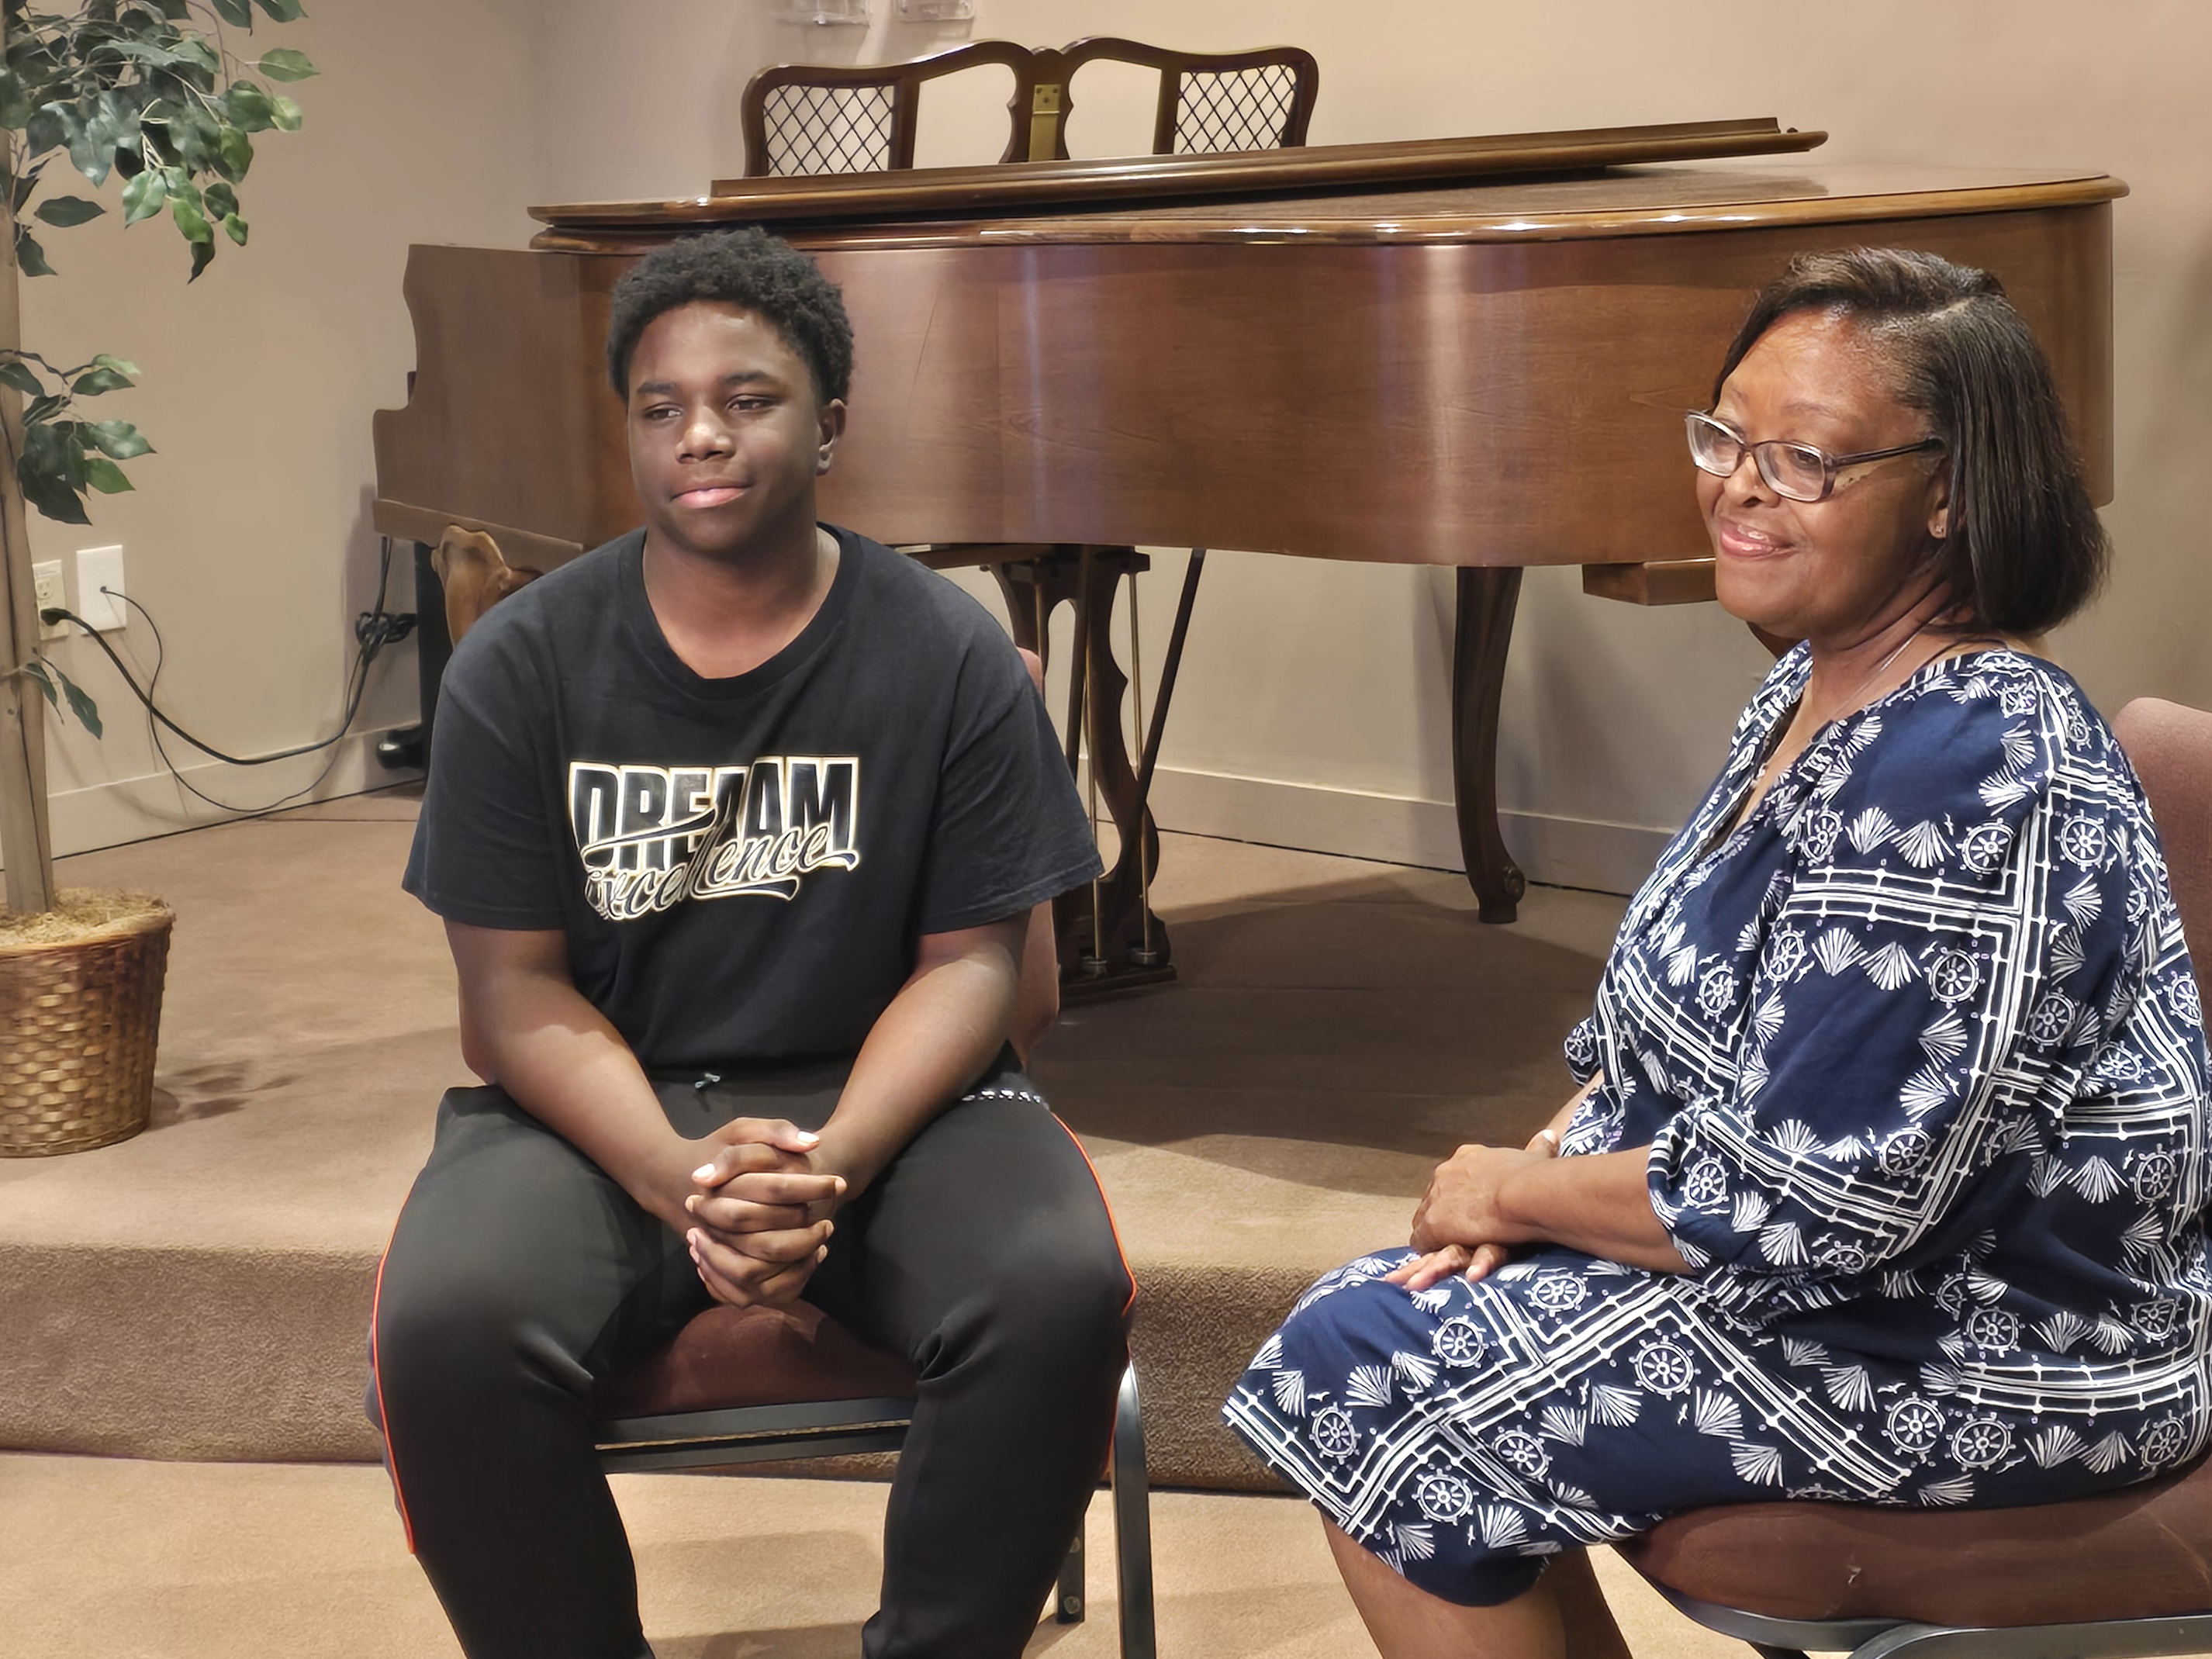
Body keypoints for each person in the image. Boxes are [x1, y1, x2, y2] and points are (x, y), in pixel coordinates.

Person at [1223, 247, 2212, 1658]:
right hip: (1861, 1289)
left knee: (1368, 1374)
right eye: (1725, 435)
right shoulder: (1814, 695)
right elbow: (1658, 1048)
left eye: (1803, 457)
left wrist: (1520, 1188)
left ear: (1950, 491)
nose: (1740, 485)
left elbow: (1825, 1199)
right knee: (1387, 1317)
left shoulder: (1973, 757)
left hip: (2001, 1346)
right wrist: (1514, 1197)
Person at [369, 226, 1133, 1659]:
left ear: (832, 420)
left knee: (1054, 1287)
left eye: (749, 397)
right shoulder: (521, 666)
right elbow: (511, 994)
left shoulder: (947, 654)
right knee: (451, 1326)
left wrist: (831, 1155)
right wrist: (681, 1179)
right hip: (601, 1106)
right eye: (660, 408)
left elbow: (978, 965)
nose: (699, 437)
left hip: (896, 1096)